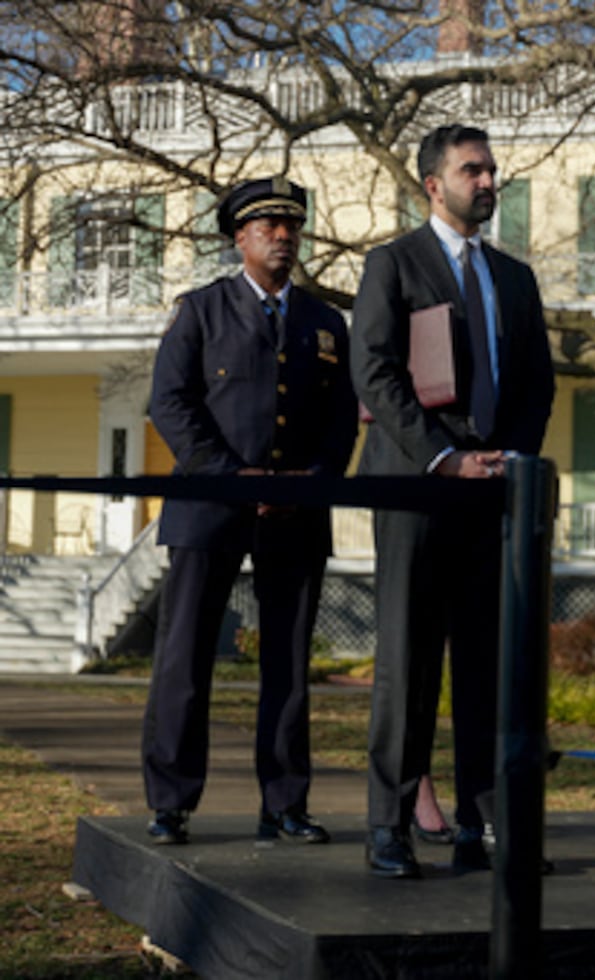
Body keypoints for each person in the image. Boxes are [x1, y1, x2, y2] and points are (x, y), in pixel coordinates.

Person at [351, 123, 555, 878]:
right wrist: (445, 456)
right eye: (473, 170)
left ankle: (481, 825)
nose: (489, 180)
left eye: (494, 169)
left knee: (485, 662)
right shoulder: (392, 265)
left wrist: (505, 459)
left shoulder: (516, 278)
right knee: (407, 663)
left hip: (493, 493)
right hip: (417, 486)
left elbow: (537, 382)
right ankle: (389, 827)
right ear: (433, 185)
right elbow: (374, 374)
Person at [142, 177, 358, 846]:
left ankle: (285, 803)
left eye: (292, 226)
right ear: (240, 236)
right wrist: (234, 477)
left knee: (289, 663)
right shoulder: (201, 311)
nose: (283, 237)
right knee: (185, 656)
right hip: (211, 505)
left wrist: (308, 481)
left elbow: (341, 420)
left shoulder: (325, 323)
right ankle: (171, 802)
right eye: (268, 226)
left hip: (295, 510)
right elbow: (171, 405)